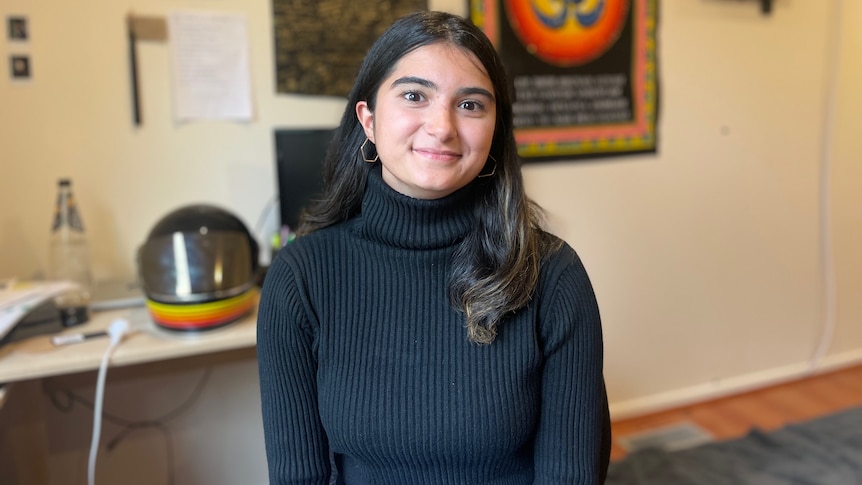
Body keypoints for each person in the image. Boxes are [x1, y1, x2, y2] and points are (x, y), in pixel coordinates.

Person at [257, 10, 611, 484]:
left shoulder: (551, 274)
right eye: (413, 96)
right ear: (368, 119)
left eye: (470, 105)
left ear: (494, 130)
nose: (442, 126)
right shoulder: (302, 276)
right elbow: (298, 477)